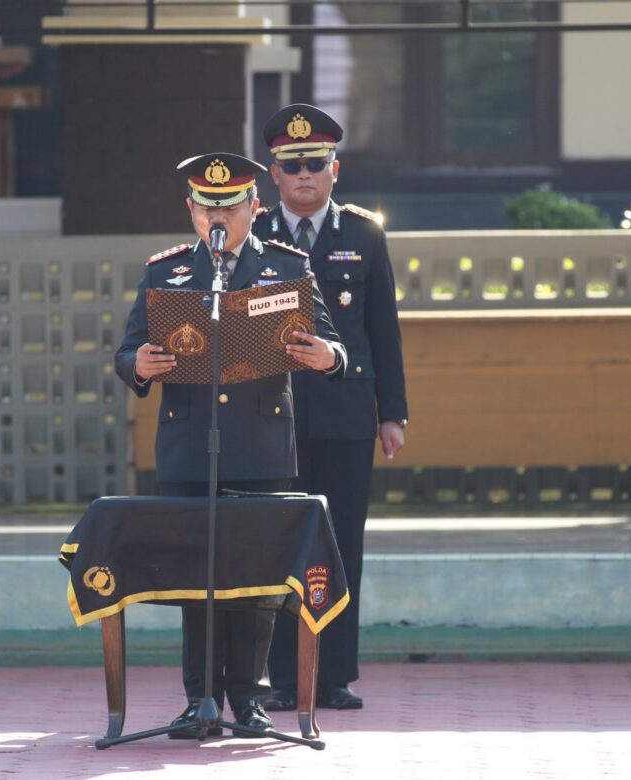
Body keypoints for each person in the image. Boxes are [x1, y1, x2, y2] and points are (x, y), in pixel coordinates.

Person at [115, 151, 347, 738]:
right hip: (190, 446)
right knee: (199, 577)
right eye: (206, 208)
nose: (217, 218)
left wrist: (327, 357)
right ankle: (201, 698)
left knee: (257, 576)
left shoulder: (286, 268)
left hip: (261, 444)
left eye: (231, 208)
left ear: (254, 208)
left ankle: (249, 698)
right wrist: (138, 365)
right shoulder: (166, 272)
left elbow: (335, 345)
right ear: (191, 210)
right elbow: (128, 351)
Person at [252, 104, 408, 711]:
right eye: (292, 167)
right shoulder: (255, 235)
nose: (304, 176)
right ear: (274, 174)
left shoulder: (365, 234)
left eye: (315, 164)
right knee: (279, 545)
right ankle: (281, 678)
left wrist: (391, 413)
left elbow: (383, 330)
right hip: (271, 420)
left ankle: (335, 674)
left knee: (340, 545)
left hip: (345, 417)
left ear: (335, 170)